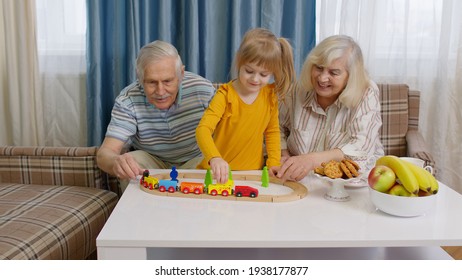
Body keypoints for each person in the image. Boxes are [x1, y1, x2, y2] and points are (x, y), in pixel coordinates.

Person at [97, 40, 215, 192]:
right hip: (153, 163)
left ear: (181, 74)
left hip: (195, 160)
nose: (160, 91)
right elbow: (104, 154)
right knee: (132, 159)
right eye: (152, 82)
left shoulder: (203, 90)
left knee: (213, 163)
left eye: (167, 81)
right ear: (140, 79)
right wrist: (115, 162)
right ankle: (138, 214)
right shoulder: (127, 100)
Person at [277, 35, 384, 181]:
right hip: (302, 180)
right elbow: (277, 126)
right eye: (319, 68)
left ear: (350, 76)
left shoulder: (366, 92)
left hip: (353, 182)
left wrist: (311, 160)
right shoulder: (298, 90)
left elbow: (361, 146)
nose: (322, 78)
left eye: (334, 72)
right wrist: (284, 156)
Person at [195, 28, 296, 183]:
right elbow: (203, 129)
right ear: (239, 61)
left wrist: (274, 163)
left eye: (264, 74)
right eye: (249, 71)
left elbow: (272, 132)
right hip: (216, 174)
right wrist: (214, 158)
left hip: (252, 175)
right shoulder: (225, 95)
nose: (255, 79)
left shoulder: (270, 96)